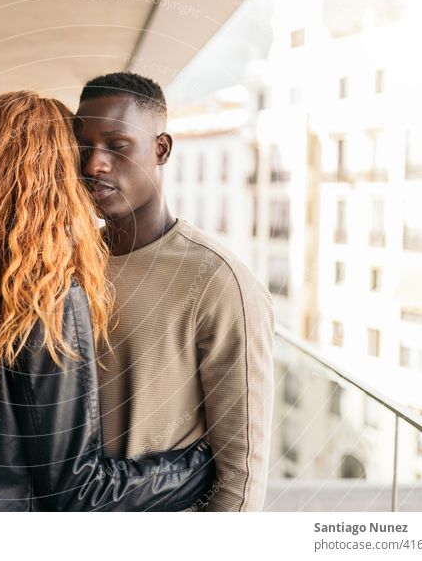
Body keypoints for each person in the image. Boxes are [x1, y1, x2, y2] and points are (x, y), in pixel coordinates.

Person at [0, 90, 215, 511]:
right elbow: (79, 493)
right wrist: (199, 465)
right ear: (52, 184)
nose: (89, 172)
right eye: (76, 161)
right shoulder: (49, 298)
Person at [74, 72, 275, 512]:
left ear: (161, 149)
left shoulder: (218, 280)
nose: (94, 164)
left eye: (117, 145)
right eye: (83, 147)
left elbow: (241, 468)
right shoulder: (65, 263)